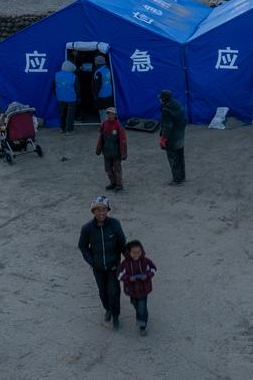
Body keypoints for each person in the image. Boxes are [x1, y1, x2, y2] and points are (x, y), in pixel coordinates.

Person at [77, 196, 127, 330]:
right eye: (98, 210)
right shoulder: (87, 228)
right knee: (103, 292)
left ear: (108, 210)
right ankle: (108, 309)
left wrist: (130, 260)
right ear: (93, 211)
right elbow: (82, 246)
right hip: (98, 268)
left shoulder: (115, 224)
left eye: (104, 210)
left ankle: (115, 315)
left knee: (114, 292)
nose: (101, 213)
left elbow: (122, 244)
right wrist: (92, 261)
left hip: (113, 266)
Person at [116, 240, 157, 336]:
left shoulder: (146, 261)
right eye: (134, 253)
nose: (136, 255)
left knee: (142, 308)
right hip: (132, 290)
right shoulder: (125, 264)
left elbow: (153, 269)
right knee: (136, 305)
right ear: (128, 252)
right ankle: (141, 313)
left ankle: (143, 326)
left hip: (143, 289)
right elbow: (119, 275)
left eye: (139, 252)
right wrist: (128, 278)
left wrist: (147, 276)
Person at [95, 107, 127, 192]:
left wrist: (123, 153)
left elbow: (122, 140)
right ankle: (112, 183)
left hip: (116, 153)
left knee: (117, 169)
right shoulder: (104, 124)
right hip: (107, 152)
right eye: (108, 114)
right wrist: (98, 149)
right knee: (108, 169)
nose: (110, 115)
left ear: (115, 115)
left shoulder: (118, 126)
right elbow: (101, 138)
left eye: (112, 114)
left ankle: (119, 184)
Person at [159, 90, 187, 185]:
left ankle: (177, 180)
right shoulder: (177, 105)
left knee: (173, 159)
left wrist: (163, 138)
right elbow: (184, 119)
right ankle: (182, 177)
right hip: (180, 136)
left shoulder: (166, 109)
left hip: (171, 138)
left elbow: (168, 126)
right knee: (180, 157)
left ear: (163, 99)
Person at [54, 60, 79, 133]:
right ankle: (69, 130)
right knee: (70, 115)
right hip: (71, 98)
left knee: (62, 113)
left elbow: (54, 86)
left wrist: (57, 94)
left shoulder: (56, 75)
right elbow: (77, 88)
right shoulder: (74, 76)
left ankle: (62, 128)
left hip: (60, 97)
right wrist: (78, 97)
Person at [93, 56, 114, 122]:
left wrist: (95, 95)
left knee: (102, 111)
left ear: (97, 62)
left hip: (102, 94)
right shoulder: (107, 69)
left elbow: (97, 85)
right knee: (108, 110)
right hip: (109, 93)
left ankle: (105, 125)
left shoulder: (99, 72)